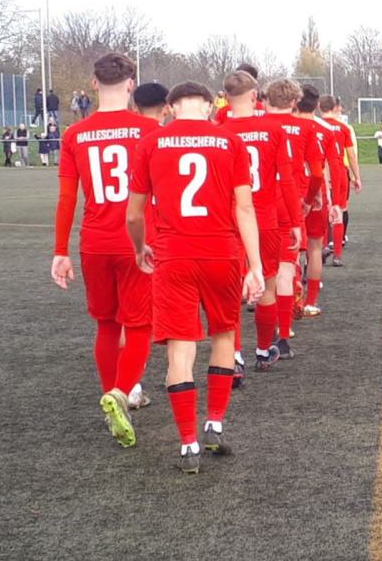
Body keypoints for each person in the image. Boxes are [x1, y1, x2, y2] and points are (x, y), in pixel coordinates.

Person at [125, 80, 263, 474]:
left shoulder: (151, 143)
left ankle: (188, 444)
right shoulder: (229, 141)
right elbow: (244, 208)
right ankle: (215, 424)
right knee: (223, 334)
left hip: (173, 257)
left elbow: (134, 214)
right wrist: (254, 265)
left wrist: (140, 247)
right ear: (207, 105)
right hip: (221, 252)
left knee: (180, 349)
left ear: (170, 106)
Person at [51, 52, 162, 449]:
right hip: (138, 242)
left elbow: (67, 198)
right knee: (140, 325)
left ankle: (112, 396)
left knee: (106, 325)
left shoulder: (74, 134)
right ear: (131, 84)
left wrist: (60, 250)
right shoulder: (148, 129)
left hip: (94, 242)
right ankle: (121, 392)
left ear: (94, 84)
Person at [221, 70, 293, 371]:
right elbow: (286, 180)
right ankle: (263, 350)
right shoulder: (274, 130)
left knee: (231, 291)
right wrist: (295, 223)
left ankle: (234, 356)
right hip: (265, 219)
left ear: (225, 98)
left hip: (228, 221)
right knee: (266, 285)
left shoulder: (218, 131)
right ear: (255, 96)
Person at [262, 78, 318, 361]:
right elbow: (317, 173)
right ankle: (281, 336)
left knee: (256, 272)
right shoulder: (307, 127)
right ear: (295, 101)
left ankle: (242, 346)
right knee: (284, 271)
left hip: (252, 206)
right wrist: (310, 200)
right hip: (287, 203)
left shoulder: (252, 125)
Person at [294, 85, 340, 316]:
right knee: (314, 246)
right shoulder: (325, 129)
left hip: (290, 190)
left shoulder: (285, 127)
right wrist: (334, 201)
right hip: (316, 190)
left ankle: (292, 300)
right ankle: (310, 301)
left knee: (290, 249)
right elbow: (333, 168)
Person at [319, 95, 361, 267]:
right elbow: (351, 154)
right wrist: (356, 176)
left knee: (321, 212)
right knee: (340, 209)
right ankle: (337, 254)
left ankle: (321, 247)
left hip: (320, 171)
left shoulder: (315, 126)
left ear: (320, 107)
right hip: (339, 172)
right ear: (335, 107)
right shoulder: (344, 128)